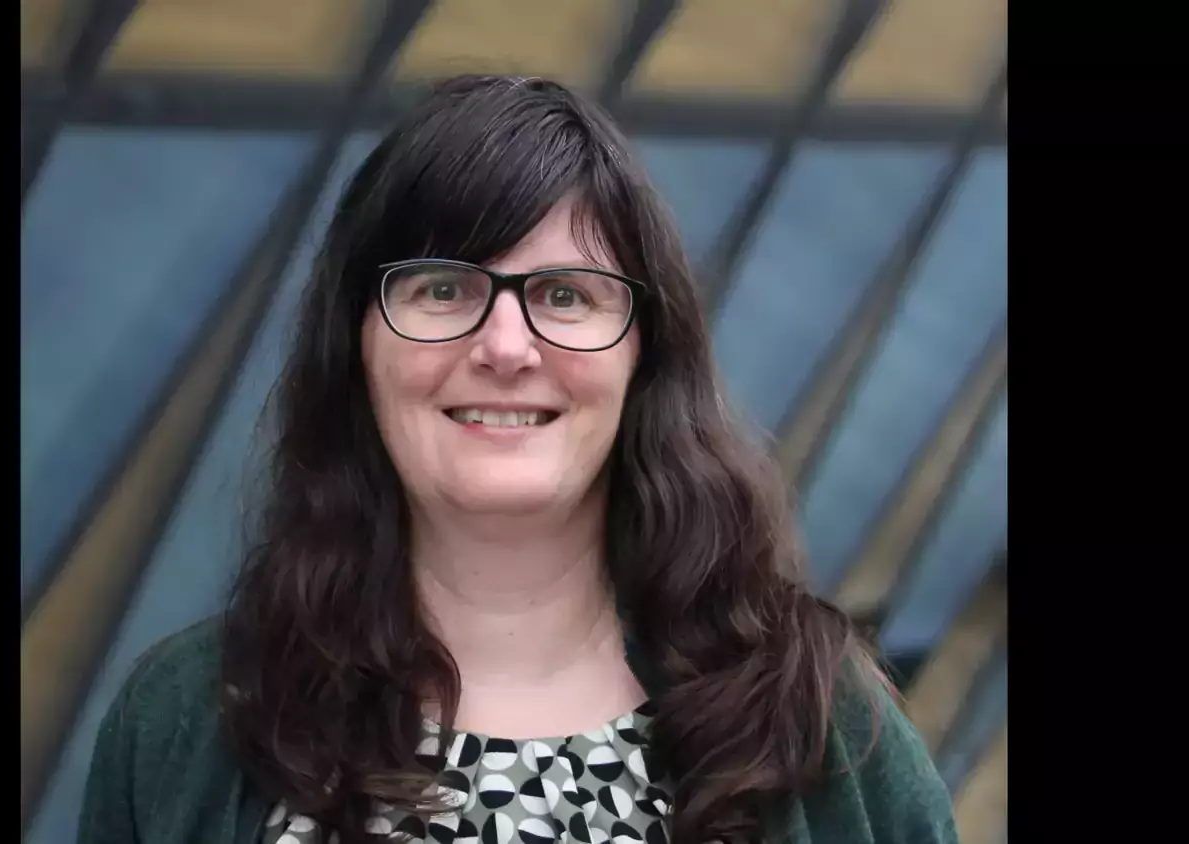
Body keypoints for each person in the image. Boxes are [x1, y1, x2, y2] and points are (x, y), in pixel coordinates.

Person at [76, 75, 959, 844]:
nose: (506, 345)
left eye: (565, 294)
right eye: (443, 288)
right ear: (357, 348)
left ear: (644, 354)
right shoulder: (195, 716)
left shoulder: (816, 717)